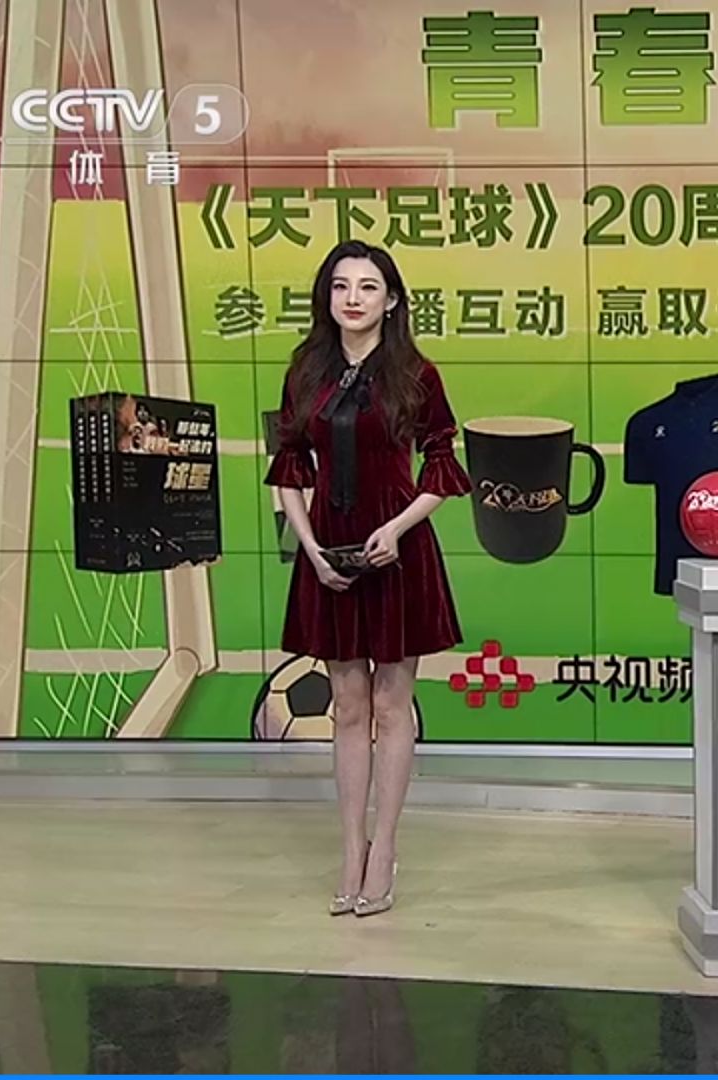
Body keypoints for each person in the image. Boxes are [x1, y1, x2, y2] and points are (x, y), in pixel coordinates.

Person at [265, 240, 472, 917]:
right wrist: (310, 546)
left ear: (392, 300)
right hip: (328, 548)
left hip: (397, 548)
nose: (353, 298)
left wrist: (399, 529)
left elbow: (442, 464)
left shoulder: (416, 373)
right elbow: (290, 465)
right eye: (341, 286)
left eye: (368, 286)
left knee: (391, 704)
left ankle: (385, 848)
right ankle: (350, 848)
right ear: (326, 298)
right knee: (347, 706)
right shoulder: (306, 372)